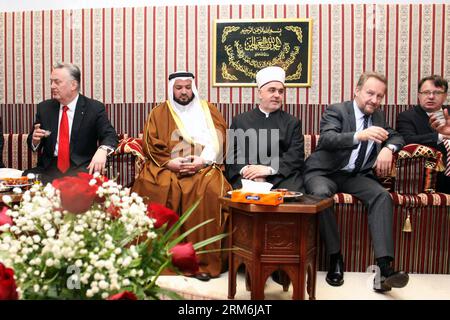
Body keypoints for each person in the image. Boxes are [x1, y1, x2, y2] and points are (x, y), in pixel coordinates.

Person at [304, 71, 409, 292]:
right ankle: (335, 258)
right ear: (357, 90)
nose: (374, 100)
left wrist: (389, 149)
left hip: (355, 176)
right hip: (324, 172)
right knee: (321, 194)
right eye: (370, 93)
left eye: (380, 96)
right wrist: (358, 136)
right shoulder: (337, 110)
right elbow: (328, 138)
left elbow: (396, 136)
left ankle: (384, 270)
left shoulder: (378, 117)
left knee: (381, 195)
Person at [131, 71, 231, 280]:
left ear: (193, 87)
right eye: (179, 88)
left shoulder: (208, 110)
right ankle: (156, 259)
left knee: (212, 189)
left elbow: (219, 139)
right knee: (151, 184)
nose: (184, 92)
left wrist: (202, 161)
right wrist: (170, 163)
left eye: (187, 87)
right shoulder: (158, 112)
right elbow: (150, 143)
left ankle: (201, 261)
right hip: (167, 165)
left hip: (202, 166)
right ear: (171, 89)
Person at [25, 63, 118, 183]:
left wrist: (103, 150)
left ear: (73, 85)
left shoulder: (94, 108)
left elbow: (110, 135)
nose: (52, 86)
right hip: (49, 169)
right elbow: (33, 142)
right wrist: (35, 140)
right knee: (25, 182)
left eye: (57, 82)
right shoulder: (44, 108)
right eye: (51, 82)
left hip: (81, 169)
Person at [225, 66, 304, 192]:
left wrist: (268, 170)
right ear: (260, 93)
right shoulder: (240, 120)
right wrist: (249, 171)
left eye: (280, 91)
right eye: (272, 90)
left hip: (281, 175)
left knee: (291, 198)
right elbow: (232, 154)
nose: (277, 95)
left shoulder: (292, 122)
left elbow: (296, 155)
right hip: (247, 175)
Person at [397, 75, 449, 193]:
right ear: (419, 95)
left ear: (445, 96)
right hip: (433, 174)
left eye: (437, 93)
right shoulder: (407, 117)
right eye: (426, 92)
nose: (431, 96)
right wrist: (439, 137)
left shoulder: (448, 114)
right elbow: (407, 139)